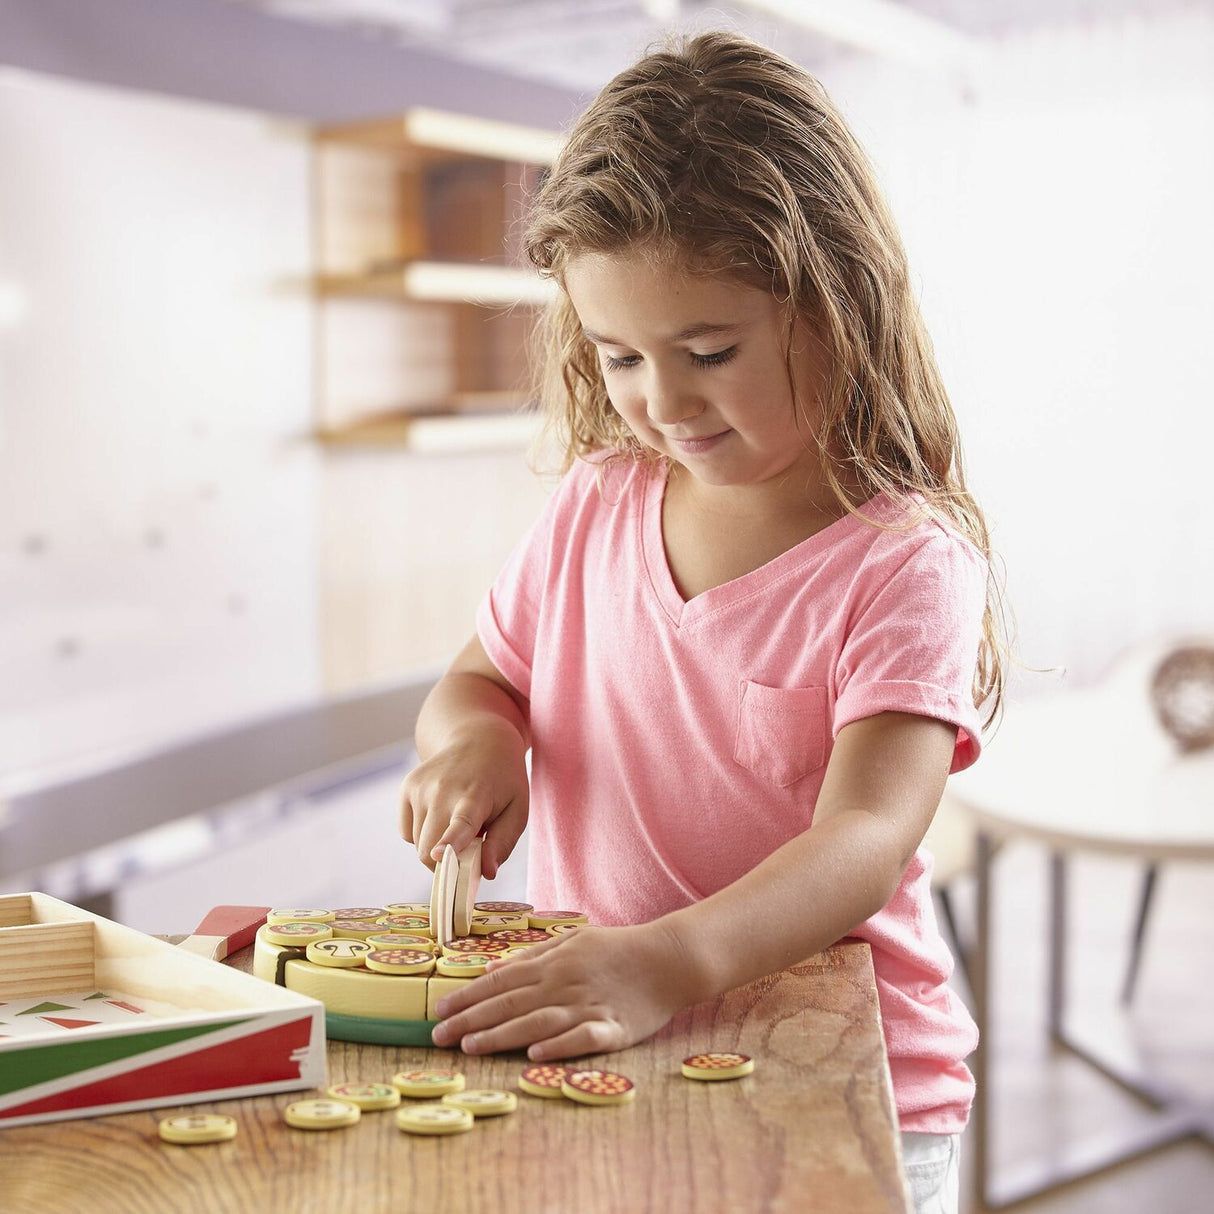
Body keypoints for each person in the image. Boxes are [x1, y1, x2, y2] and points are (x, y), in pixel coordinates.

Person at [400, 30, 1004, 1212]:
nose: (661, 400)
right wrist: (469, 737)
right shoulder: (593, 505)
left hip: (835, 1079)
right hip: (614, 1046)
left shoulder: (902, 557)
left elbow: (864, 837)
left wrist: (663, 957)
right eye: (619, 354)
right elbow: (477, 681)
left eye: (708, 350)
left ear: (836, 300)